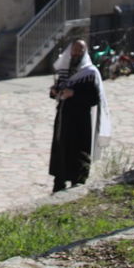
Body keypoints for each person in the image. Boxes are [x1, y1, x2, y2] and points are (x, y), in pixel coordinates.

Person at [48, 39, 112, 193]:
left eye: (80, 50)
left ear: (85, 52)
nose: (76, 53)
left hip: (80, 120)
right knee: (61, 149)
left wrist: (74, 94)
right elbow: (57, 91)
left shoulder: (90, 73)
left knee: (78, 151)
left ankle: (78, 182)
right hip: (63, 118)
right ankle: (59, 183)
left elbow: (94, 99)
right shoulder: (64, 70)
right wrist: (54, 92)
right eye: (74, 50)